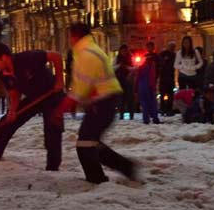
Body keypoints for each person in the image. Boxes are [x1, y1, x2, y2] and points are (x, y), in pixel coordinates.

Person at [50, 22, 139, 184]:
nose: (69, 40)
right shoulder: (91, 50)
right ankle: (125, 167)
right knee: (91, 142)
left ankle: (98, 178)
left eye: (69, 36)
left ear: (75, 36)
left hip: (103, 102)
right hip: (104, 100)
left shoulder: (85, 54)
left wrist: (61, 109)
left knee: (85, 144)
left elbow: (81, 87)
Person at [0, 43, 66, 170]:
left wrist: (59, 81)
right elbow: (15, 93)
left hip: (51, 93)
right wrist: (13, 111)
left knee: (52, 129)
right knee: (7, 121)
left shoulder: (27, 58)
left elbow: (56, 56)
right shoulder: (3, 73)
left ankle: (52, 167)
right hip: (33, 97)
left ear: (4, 57)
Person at [133, 41, 161, 124]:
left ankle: (148, 118)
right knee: (150, 101)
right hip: (148, 84)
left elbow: (138, 75)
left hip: (147, 84)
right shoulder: (149, 63)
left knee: (146, 102)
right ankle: (153, 117)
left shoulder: (154, 59)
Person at [114, 44, 135, 120]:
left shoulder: (130, 58)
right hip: (119, 80)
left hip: (128, 80)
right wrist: (119, 65)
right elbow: (112, 68)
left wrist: (127, 68)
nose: (124, 52)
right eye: (122, 51)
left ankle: (131, 115)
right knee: (120, 98)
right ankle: (121, 114)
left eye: (125, 50)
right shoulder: (117, 58)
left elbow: (134, 68)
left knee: (130, 98)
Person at [157, 42, 178, 116]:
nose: (172, 48)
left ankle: (169, 109)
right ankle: (163, 109)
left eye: (173, 47)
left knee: (170, 94)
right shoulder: (163, 54)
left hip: (170, 77)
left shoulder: (174, 55)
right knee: (163, 94)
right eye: (171, 46)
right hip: (163, 77)